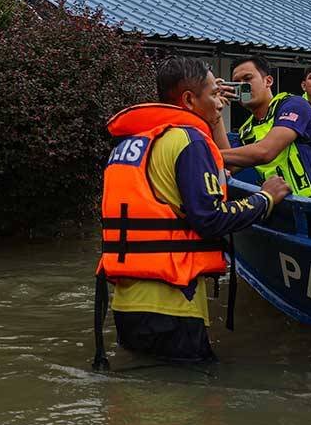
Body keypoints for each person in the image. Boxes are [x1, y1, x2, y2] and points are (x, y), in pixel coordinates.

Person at [93, 57, 290, 365]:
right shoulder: (190, 141)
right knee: (190, 403)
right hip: (172, 305)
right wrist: (264, 199)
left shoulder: (132, 143)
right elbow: (211, 217)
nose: (219, 104)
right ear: (188, 99)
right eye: (213, 94)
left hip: (126, 303)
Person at [222, 55, 311, 200]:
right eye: (236, 83)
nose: (243, 86)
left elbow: (265, 152)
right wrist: (215, 111)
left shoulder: (295, 104)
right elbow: (228, 166)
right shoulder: (247, 129)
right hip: (283, 202)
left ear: (268, 81)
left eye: (248, 79)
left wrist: (209, 154)